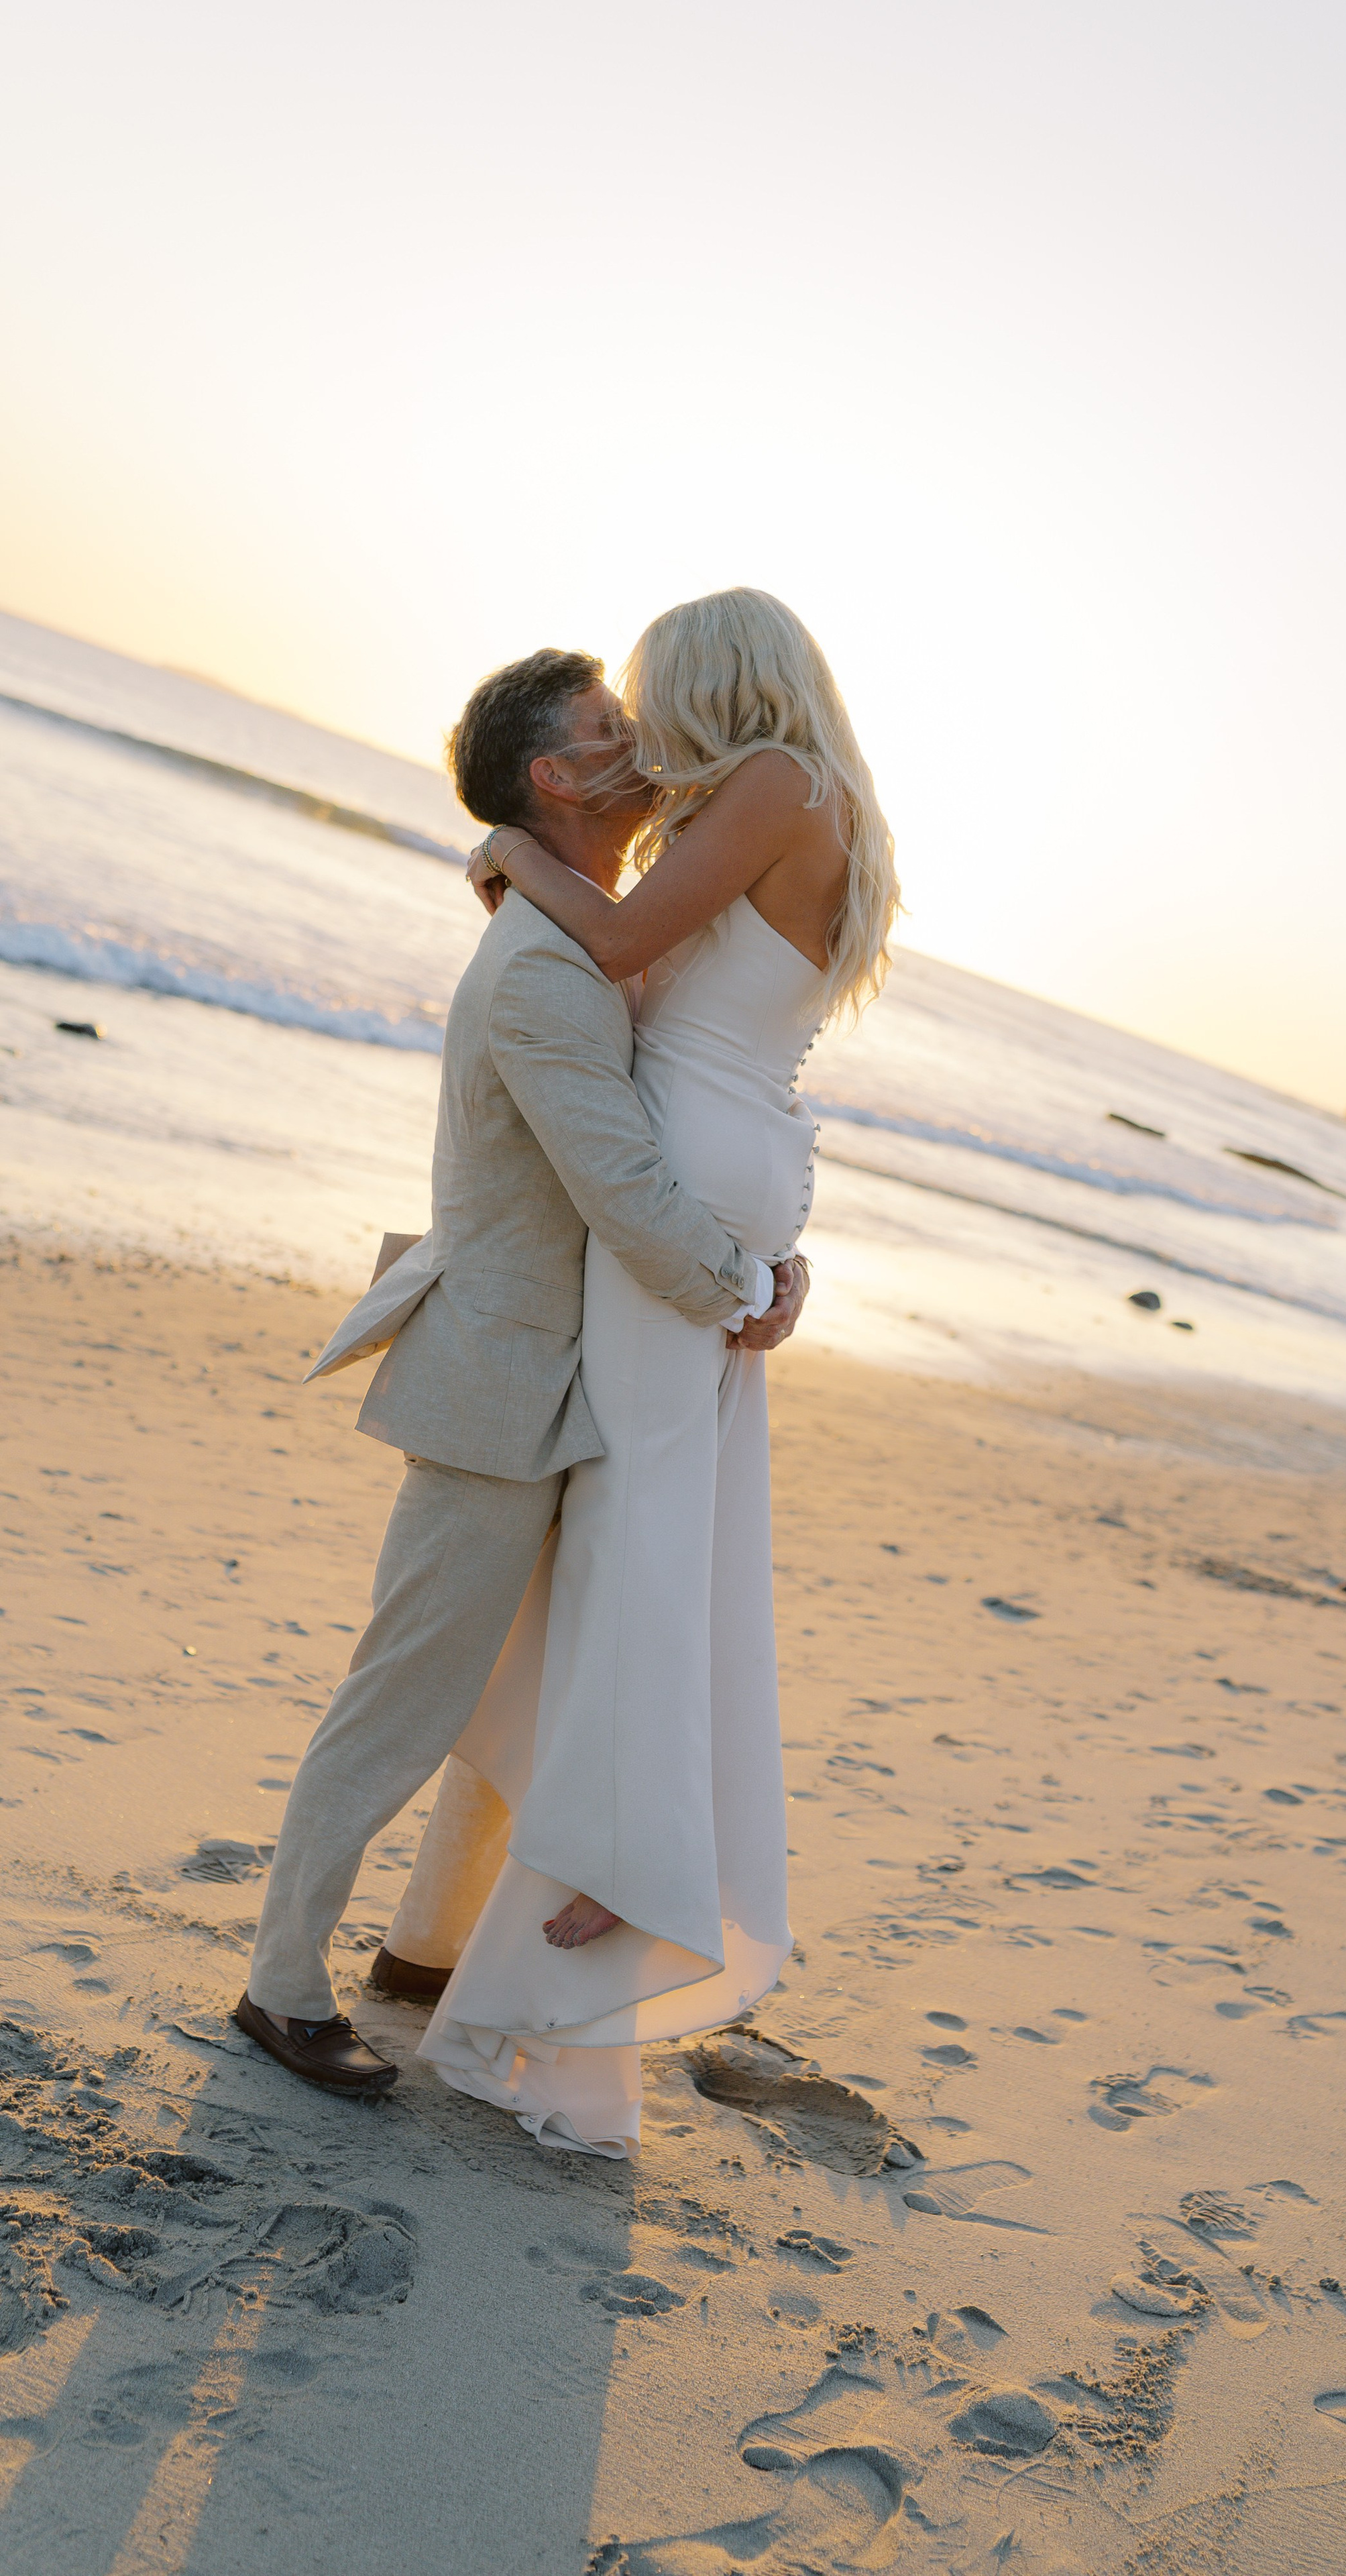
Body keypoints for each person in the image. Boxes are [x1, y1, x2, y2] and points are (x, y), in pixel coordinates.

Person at [232, 646, 809, 2095]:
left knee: (509, 1688)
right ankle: (280, 1984)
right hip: (498, 1386)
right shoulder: (547, 973)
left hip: (576, 1376)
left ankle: (422, 1953)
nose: (643, 745)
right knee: (406, 1697)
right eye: (611, 731)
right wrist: (741, 1283)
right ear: (555, 778)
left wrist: (769, 1246)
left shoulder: (582, 928)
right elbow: (621, 1183)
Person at [401, 586, 897, 2155]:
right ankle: (529, 1889)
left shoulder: (775, 784)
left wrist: (506, 853)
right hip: (728, 1181)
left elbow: (609, 937)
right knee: (638, 1532)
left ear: (715, 682)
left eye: (648, 694)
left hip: (695, 1192)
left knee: (632, 1541)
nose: (639, 725)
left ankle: (627, 1862)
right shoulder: (808, 805)